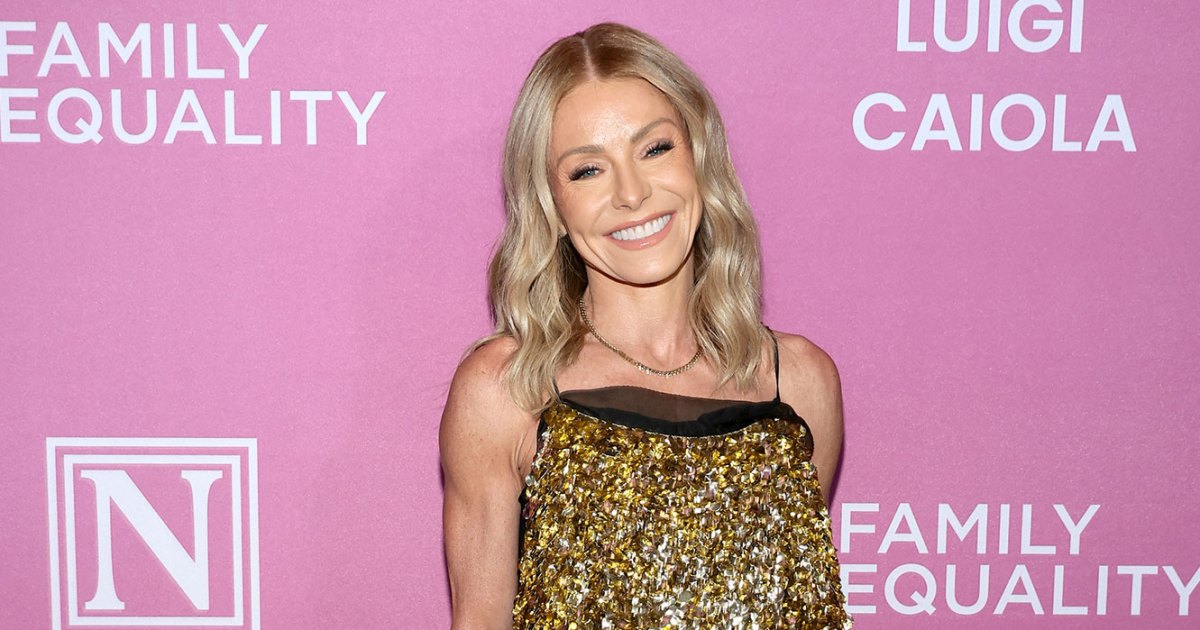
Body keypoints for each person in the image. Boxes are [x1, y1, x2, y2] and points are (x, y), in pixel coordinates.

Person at [441, 22, 851, 629]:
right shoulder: (507, 389)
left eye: (655, 149)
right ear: (552, 207)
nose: (631, 193)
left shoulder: (800, 381)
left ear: (700, 160)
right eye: (588, 170)